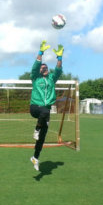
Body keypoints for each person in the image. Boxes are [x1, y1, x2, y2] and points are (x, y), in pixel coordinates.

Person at [30, 40, 63, 171]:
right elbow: (35, 67)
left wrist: (59, 57)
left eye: (46, 67)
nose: (45, 69)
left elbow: (59, 70)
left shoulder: (51, 79)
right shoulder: (35, 78)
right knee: (44, 112)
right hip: (35, 108)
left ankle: (35, 158)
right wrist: (41, 52)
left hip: (46, 111)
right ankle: (36, 129)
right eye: (42, 68)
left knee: (42, 137)